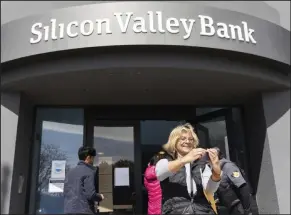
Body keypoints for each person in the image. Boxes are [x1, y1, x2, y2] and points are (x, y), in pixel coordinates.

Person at [155, 123, 222, 214]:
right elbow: (160, 173)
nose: (188, 141)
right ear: (174, 142)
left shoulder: (201, 164)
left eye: (191, 139)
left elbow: (209, 190)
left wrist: (216, 173)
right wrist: (185, 160)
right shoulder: (165, 161)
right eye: (183, 139)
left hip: (201, 210)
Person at [64, 146, 104, 214]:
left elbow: (65, 192)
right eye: (93, 158)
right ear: (88, 158)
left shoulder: (69, 172)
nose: (93, 161)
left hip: (69, 211)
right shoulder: (89, 171)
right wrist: (100, 197)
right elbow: (91, 194)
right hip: (84, 211)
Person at [216, 150, 254, 215]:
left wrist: (247, 209)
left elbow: (243, 187)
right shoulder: (214, 169)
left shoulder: (228, 167)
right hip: (227, 206)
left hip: (237, 207)